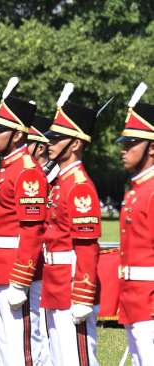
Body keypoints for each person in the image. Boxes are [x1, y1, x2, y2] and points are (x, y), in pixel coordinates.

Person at [0, 78, 48, 365]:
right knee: (3, 343)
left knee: (21, 347)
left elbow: (32, 230)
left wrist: (21, 281)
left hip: (15, 270)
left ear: (19, 135)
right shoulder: (8, 168)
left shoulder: (27, 171)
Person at [41, 83, 101, 366]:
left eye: (57, 138)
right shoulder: (60, 183)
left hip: (71, 283)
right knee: (59, 358)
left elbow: (87, 246)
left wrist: (84, 296)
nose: (49, 143)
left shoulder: (79, 187)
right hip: (55, 279)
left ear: (75, 143)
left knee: (77, 359)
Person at [116, 83, 154, 365]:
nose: (123, 150)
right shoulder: (136, 189)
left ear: (151, 148)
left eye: (131, 144)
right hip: (134, 297)